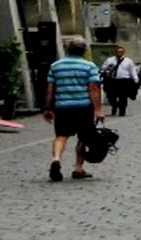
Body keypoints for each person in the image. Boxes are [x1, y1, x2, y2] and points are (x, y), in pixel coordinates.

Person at [43, 36, 104, 182]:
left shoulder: (55, 66)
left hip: (62, 107)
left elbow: (50, 88)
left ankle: (56, 160)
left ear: (67, 50)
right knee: (84, 137)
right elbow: (93, 89)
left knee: (61, 136)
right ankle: (78, 168)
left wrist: (47, 107)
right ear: (84, 50)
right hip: (83, 107)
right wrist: (98, 109)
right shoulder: (89, 66)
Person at [101, 44, 139, 116]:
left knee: (123, 97)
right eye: (117, 52)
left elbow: (132, 71)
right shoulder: (110, 60)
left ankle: (122, 110)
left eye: (121, 52)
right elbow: (103, 68)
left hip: (124, 81)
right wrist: (106, 70)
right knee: (111, 96)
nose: (119, 53)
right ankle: (114, 106)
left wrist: (135, 79)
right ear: (115, 52)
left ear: (123, 52)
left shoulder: (128, 61)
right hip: (112, 81)